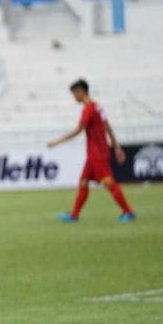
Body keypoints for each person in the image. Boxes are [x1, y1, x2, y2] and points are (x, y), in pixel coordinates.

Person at [47, 79, 135, 223]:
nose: (74, 97)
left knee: (108, 182)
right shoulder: (98, 107)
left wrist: (57, 141)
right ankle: (74, 215)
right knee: (83, 182)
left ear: (80, 92)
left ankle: (128, 212)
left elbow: (79, 129)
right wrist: (116, 146)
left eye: (74, 94)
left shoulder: (88, 109)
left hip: (97, 153)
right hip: (96, 152)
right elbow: (107, 126)